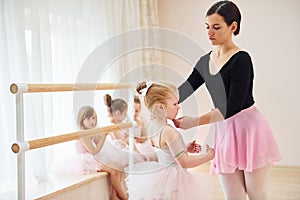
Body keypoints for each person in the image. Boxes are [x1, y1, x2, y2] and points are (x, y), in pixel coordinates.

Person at [172, 1, 281, 200]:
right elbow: (184, 90)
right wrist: (152, 93)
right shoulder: (205, 61)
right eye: (207, 27)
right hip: (224, 132)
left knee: (257, 194)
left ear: (233, 27)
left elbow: (233, 106)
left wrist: (194, 121)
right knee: (233, 196)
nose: (209, 32)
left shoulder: (242, 59)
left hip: (250, 131)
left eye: (216, 27)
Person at [125, 81, 215, 200]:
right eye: (174, 104)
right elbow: (185, 163)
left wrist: (184, 148)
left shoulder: (153, 127)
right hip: (174, 180)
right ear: (161, 106)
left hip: (161, 174)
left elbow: (166, 151)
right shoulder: (168, 131)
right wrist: (208, 156)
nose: (179, 106)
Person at [75, 106, 128, 200]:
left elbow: (99, 143)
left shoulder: (91, 131)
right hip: (87, 160)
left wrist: (102, 134)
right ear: (81, 119)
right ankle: (122, 195)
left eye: (94, 118)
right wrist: (104, 136)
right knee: (113, 171)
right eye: (88, 118)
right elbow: (94, 151)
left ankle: (114, 196)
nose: (92, 121)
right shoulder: (83, 134)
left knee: (118, 168)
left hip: (94, 158)